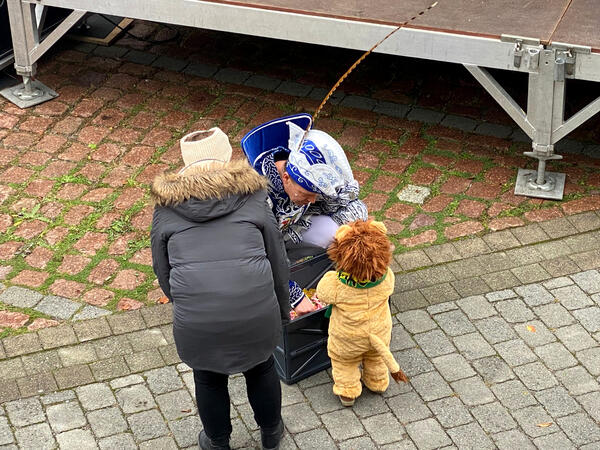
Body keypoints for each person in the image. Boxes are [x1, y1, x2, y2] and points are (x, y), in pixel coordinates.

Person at [150, 127, 290, 450]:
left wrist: (184, 300)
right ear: (227, 156)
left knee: (208, 377)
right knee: (262, 365)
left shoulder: (166, 207)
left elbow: (162, 268)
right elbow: (277, 259)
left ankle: (217, 441)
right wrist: (281, 309)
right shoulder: (254, 196)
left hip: (198, 320)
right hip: (255, 311)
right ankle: (271, 434)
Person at [254, 121, 368, 316]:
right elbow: (255, 256)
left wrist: (361, 243)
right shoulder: (258, 197)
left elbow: (348, 204)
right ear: (286, 178)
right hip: (265, 248)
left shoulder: (305, 175)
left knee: (343, 234)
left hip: (292, 232)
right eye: (307, 195)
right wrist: (294, 295)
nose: (313, 200)